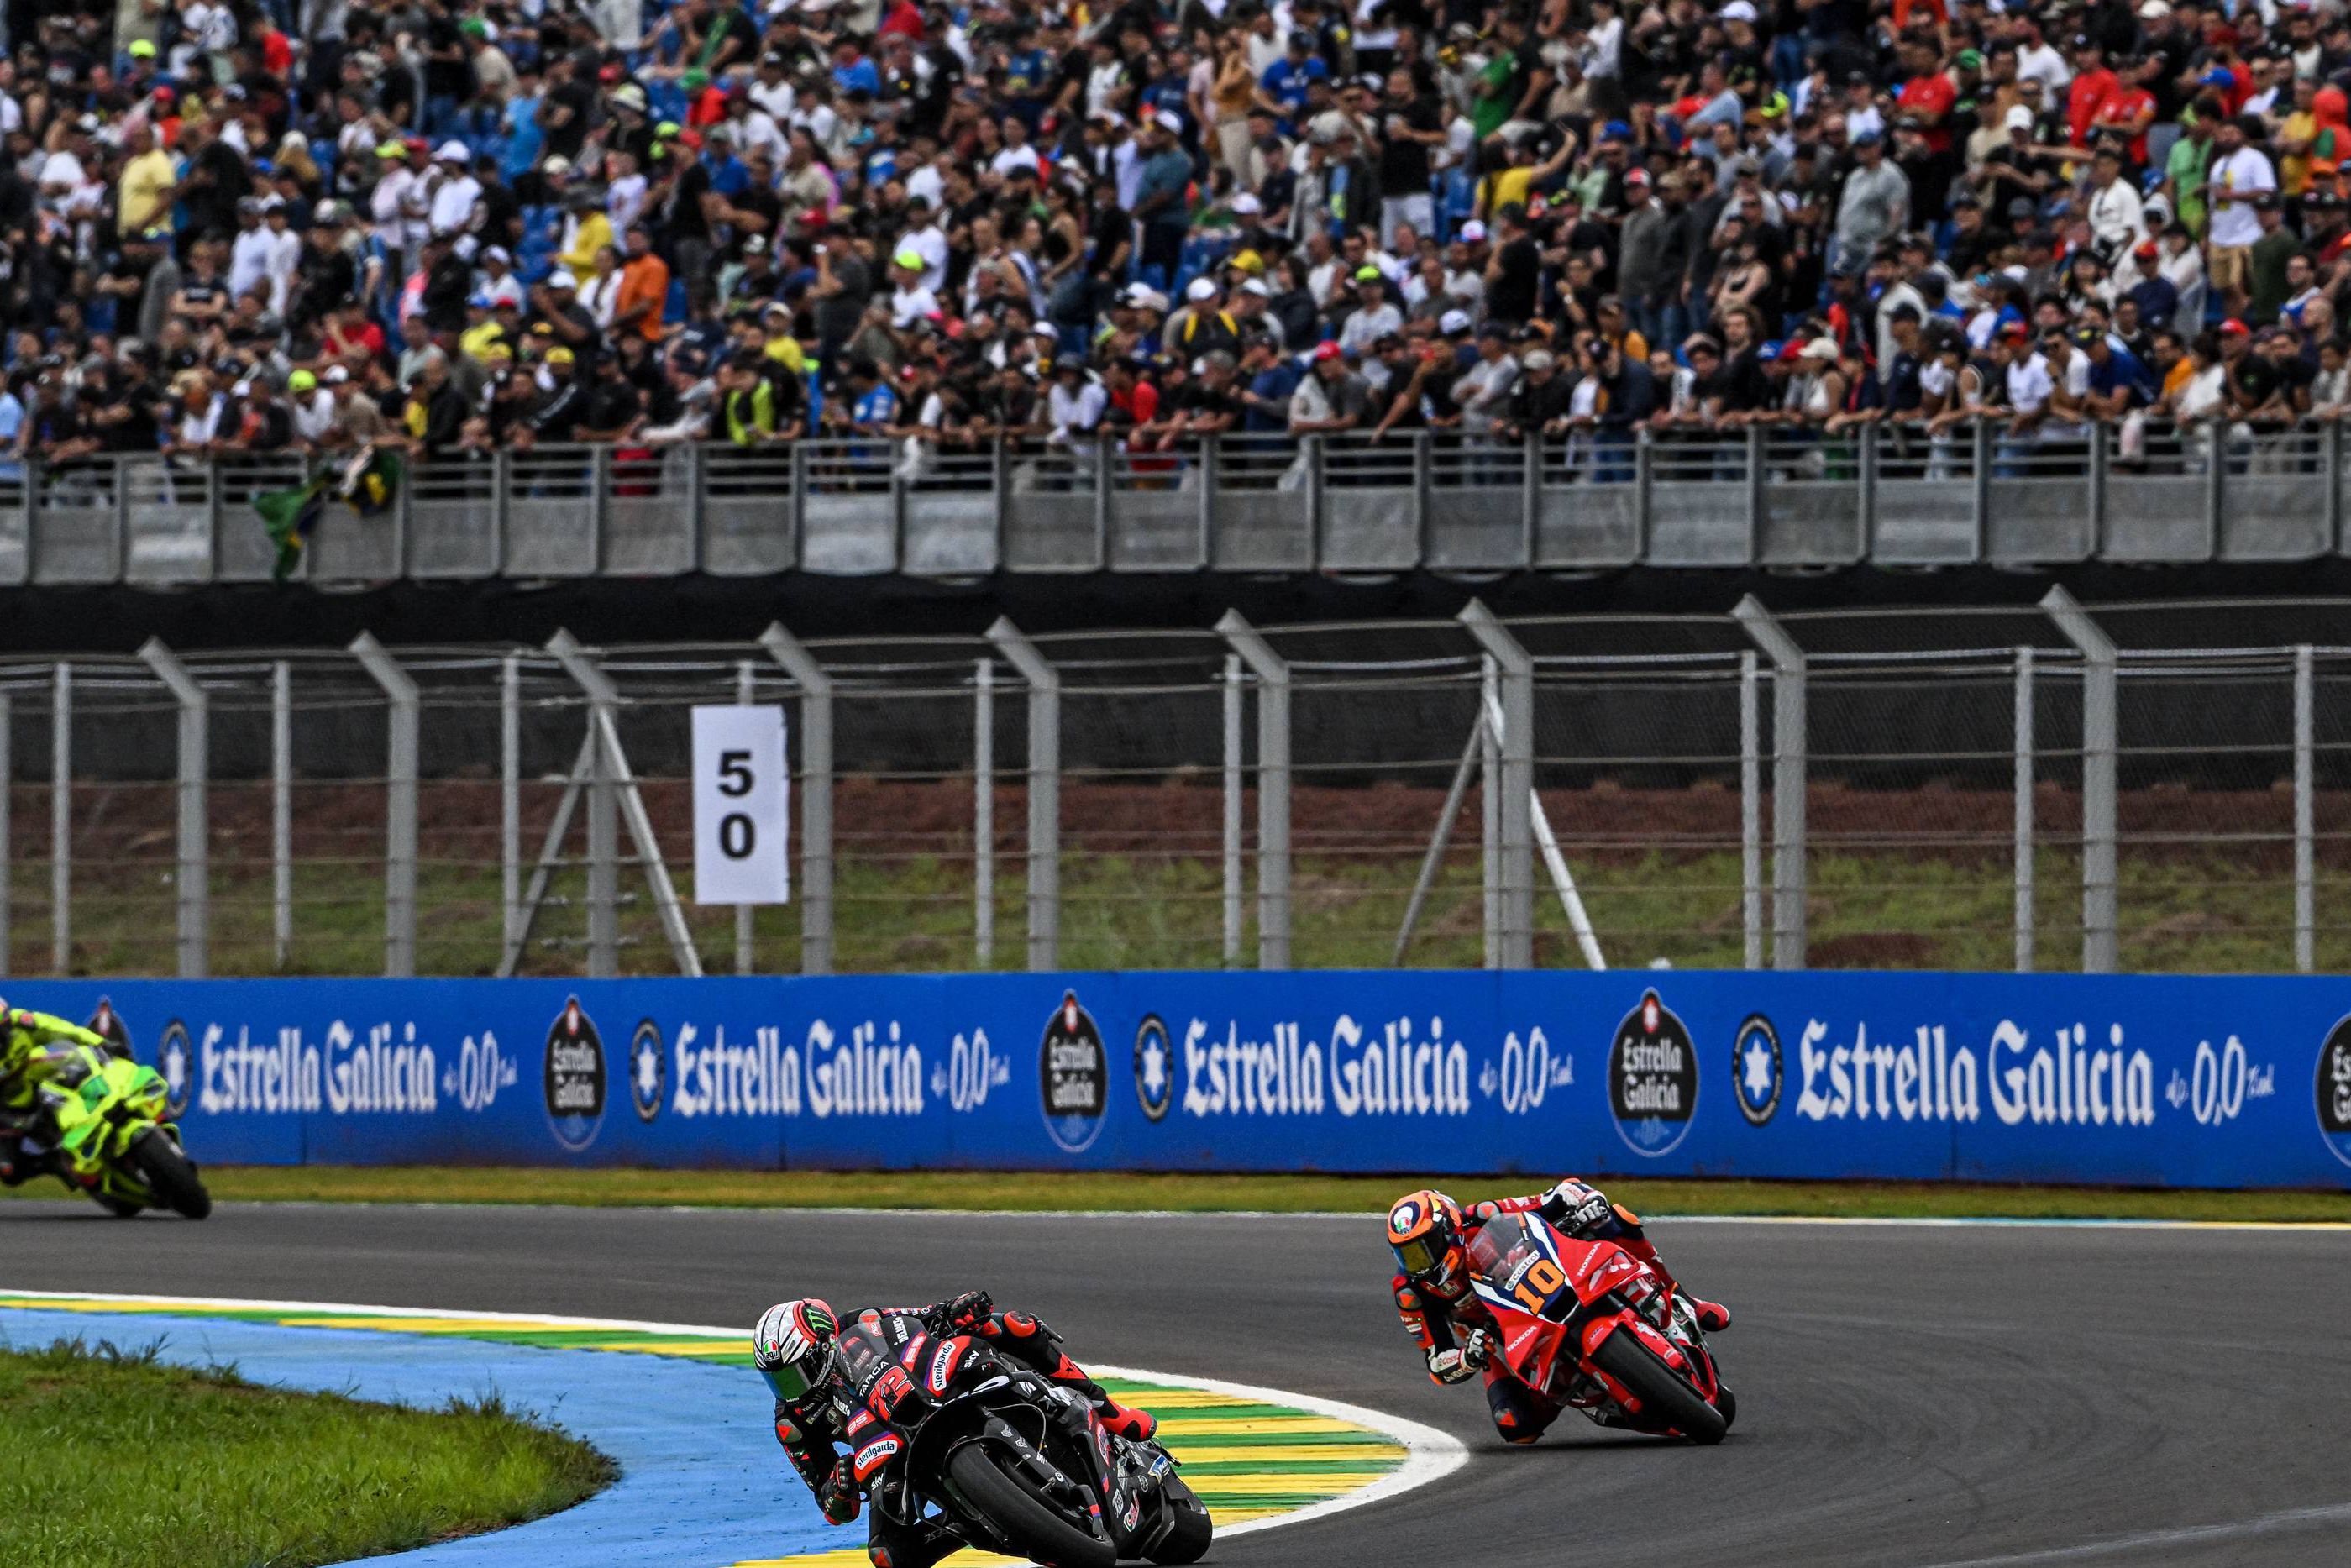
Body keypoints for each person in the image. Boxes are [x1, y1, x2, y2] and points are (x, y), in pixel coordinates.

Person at [752, 1293, 1157, 1568]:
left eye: (797, 1372)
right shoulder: (792, 1423)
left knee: (1012, 1325)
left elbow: (922, 1317)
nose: (793, 1389)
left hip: (929, 1387)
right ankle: (985, 1521)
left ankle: (1107, 1410)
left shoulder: (860, 1323)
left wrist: (956, 1309)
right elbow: (832, 1506)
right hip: (886, 1453)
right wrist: (838, 1485)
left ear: (824, 1344)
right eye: (780, 1380)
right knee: (887, 1556)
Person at [1386, 1179, 1729, 1445]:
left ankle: (1682, 1298)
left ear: (1449, 1229)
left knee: (1614, 1218)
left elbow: (1555, 1195)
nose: (1420, 1263)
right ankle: (1598, 1399)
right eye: (1409, 1255)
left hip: (1549, 1281)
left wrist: (1585, 1200)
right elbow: (1436, 1363)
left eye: (1424, 1248)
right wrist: (1467, 1358)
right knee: (1515, 1427)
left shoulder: (1483, 1215)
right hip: (1502, 1336)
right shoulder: (1411, 1293)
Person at [0, 1004, 113, 1186]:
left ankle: (106, 1105)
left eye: (3, 1030)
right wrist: (17, 1123)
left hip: (37, 1078)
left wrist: (99, 1043)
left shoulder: (22, 1023)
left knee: (75, 1063)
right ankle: (53, 1163)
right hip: (8, 1111)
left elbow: (60, 1028)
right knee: (9, 1171)